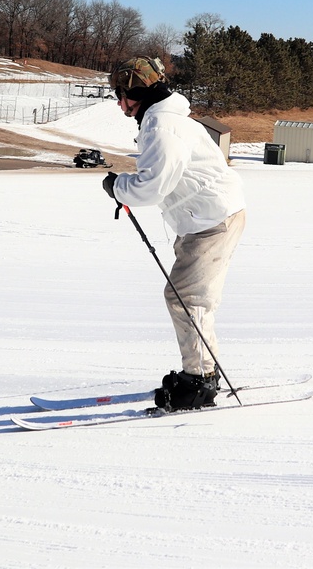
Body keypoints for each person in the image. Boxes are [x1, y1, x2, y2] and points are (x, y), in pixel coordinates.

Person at [102, 57, 246, 411]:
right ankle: (203, 371)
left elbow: (152, 186)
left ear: (138, 92)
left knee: (186, 298)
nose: (121, 105)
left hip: (211, 221)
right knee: (190, 298)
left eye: (122, 96)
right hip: (204, 217)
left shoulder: (162, 126)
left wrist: (118, 187)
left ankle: (198, 381)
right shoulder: (165, 118)